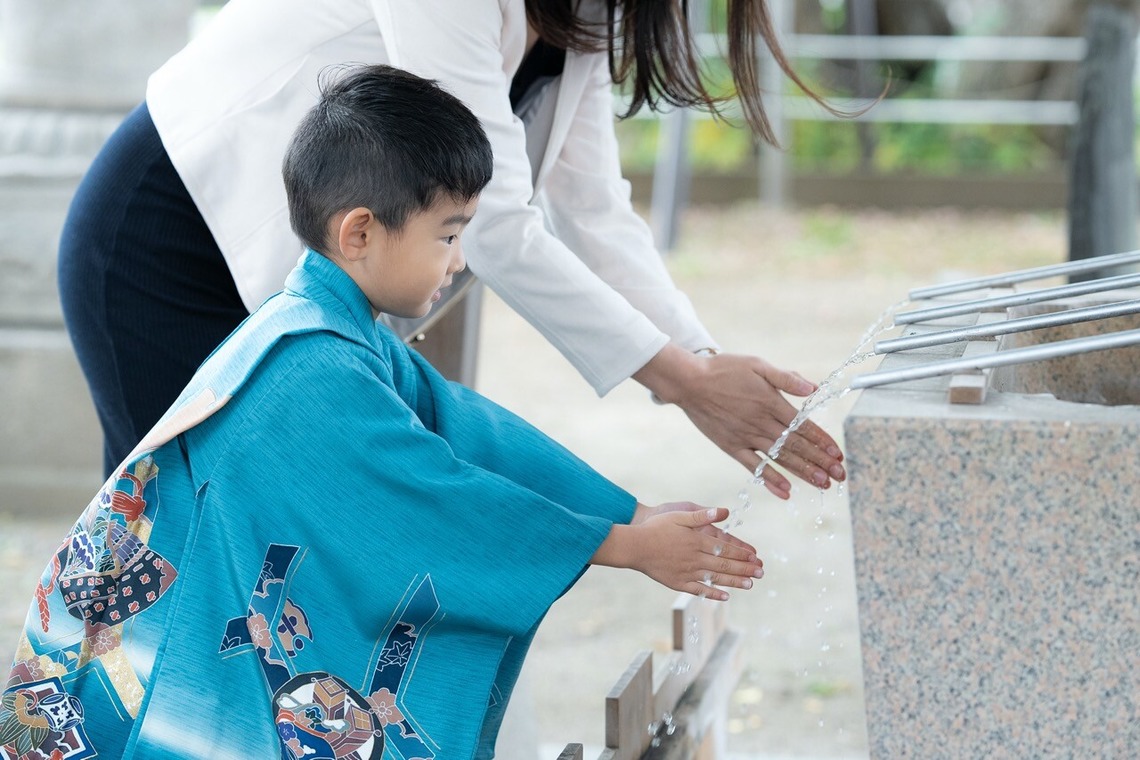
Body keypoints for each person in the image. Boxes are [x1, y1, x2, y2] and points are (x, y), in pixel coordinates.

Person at [4, 65, 764, 760]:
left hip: (158, 632)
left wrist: (629, 512)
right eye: (448, 234)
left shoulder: (329, 325)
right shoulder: (309, 367)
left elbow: (465, 428)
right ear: (360, 231)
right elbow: (434, 495)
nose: (458, 261)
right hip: (113, 676)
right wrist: (619, 545)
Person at [59, 0, 846, 496]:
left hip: (302, 277)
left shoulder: (586, 17)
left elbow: (592, 207)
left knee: (281, 571)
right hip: (169, 237)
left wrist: (703, 365)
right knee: (174, 561)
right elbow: (498, 223)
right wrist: (685, 381)